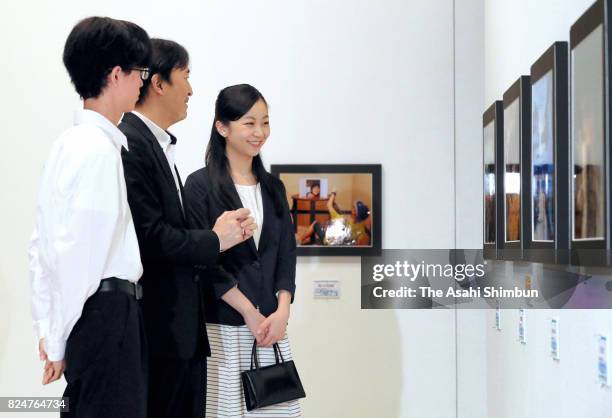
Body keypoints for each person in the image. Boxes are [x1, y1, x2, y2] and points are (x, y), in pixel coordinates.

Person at [118, 40, 256, 418]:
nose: (192, 90)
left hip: (180, 333)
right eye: (186, 76)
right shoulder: (131, 142)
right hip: (160, 332)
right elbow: (151, 238)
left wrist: (217, 234)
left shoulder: (157, 144)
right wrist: (216, 238)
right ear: (159, 83)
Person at [28, 16, 152, 417]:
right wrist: (57, 338)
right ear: (117, 74)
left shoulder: (70, 143)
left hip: (92, 319)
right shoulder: (96, 150)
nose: (142, 83)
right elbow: (76, 255)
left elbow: (43, 248)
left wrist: (52, 332)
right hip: (106, 317)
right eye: (140, 73)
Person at [184, 84, 302, 417]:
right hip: (223, 326)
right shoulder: (199, 186)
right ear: (222, 127)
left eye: (265, 122)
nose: (260, 132)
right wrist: (249, 312)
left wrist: (282, 311)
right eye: (249, 123)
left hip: (270, 327)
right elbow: (203, 262)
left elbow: (285, 255)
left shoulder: (273, 187)